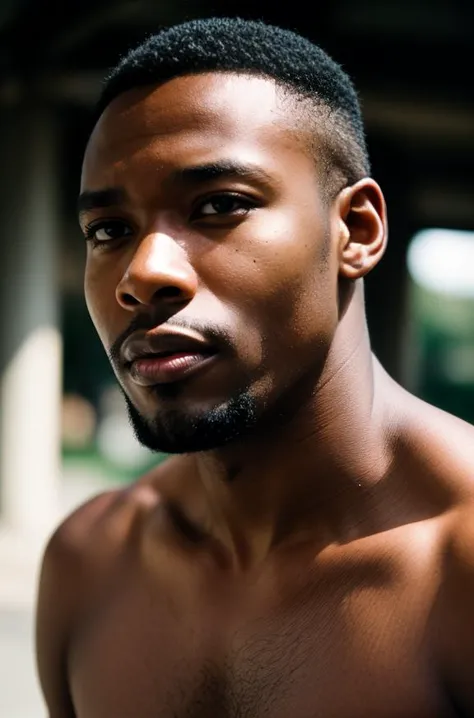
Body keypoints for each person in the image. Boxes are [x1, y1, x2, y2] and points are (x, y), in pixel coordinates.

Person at [36, 17, 474, 718]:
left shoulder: (458, 566)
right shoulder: (89, 563)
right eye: (109, 231)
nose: (142, 275)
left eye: (219, 206)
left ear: (355, 230)